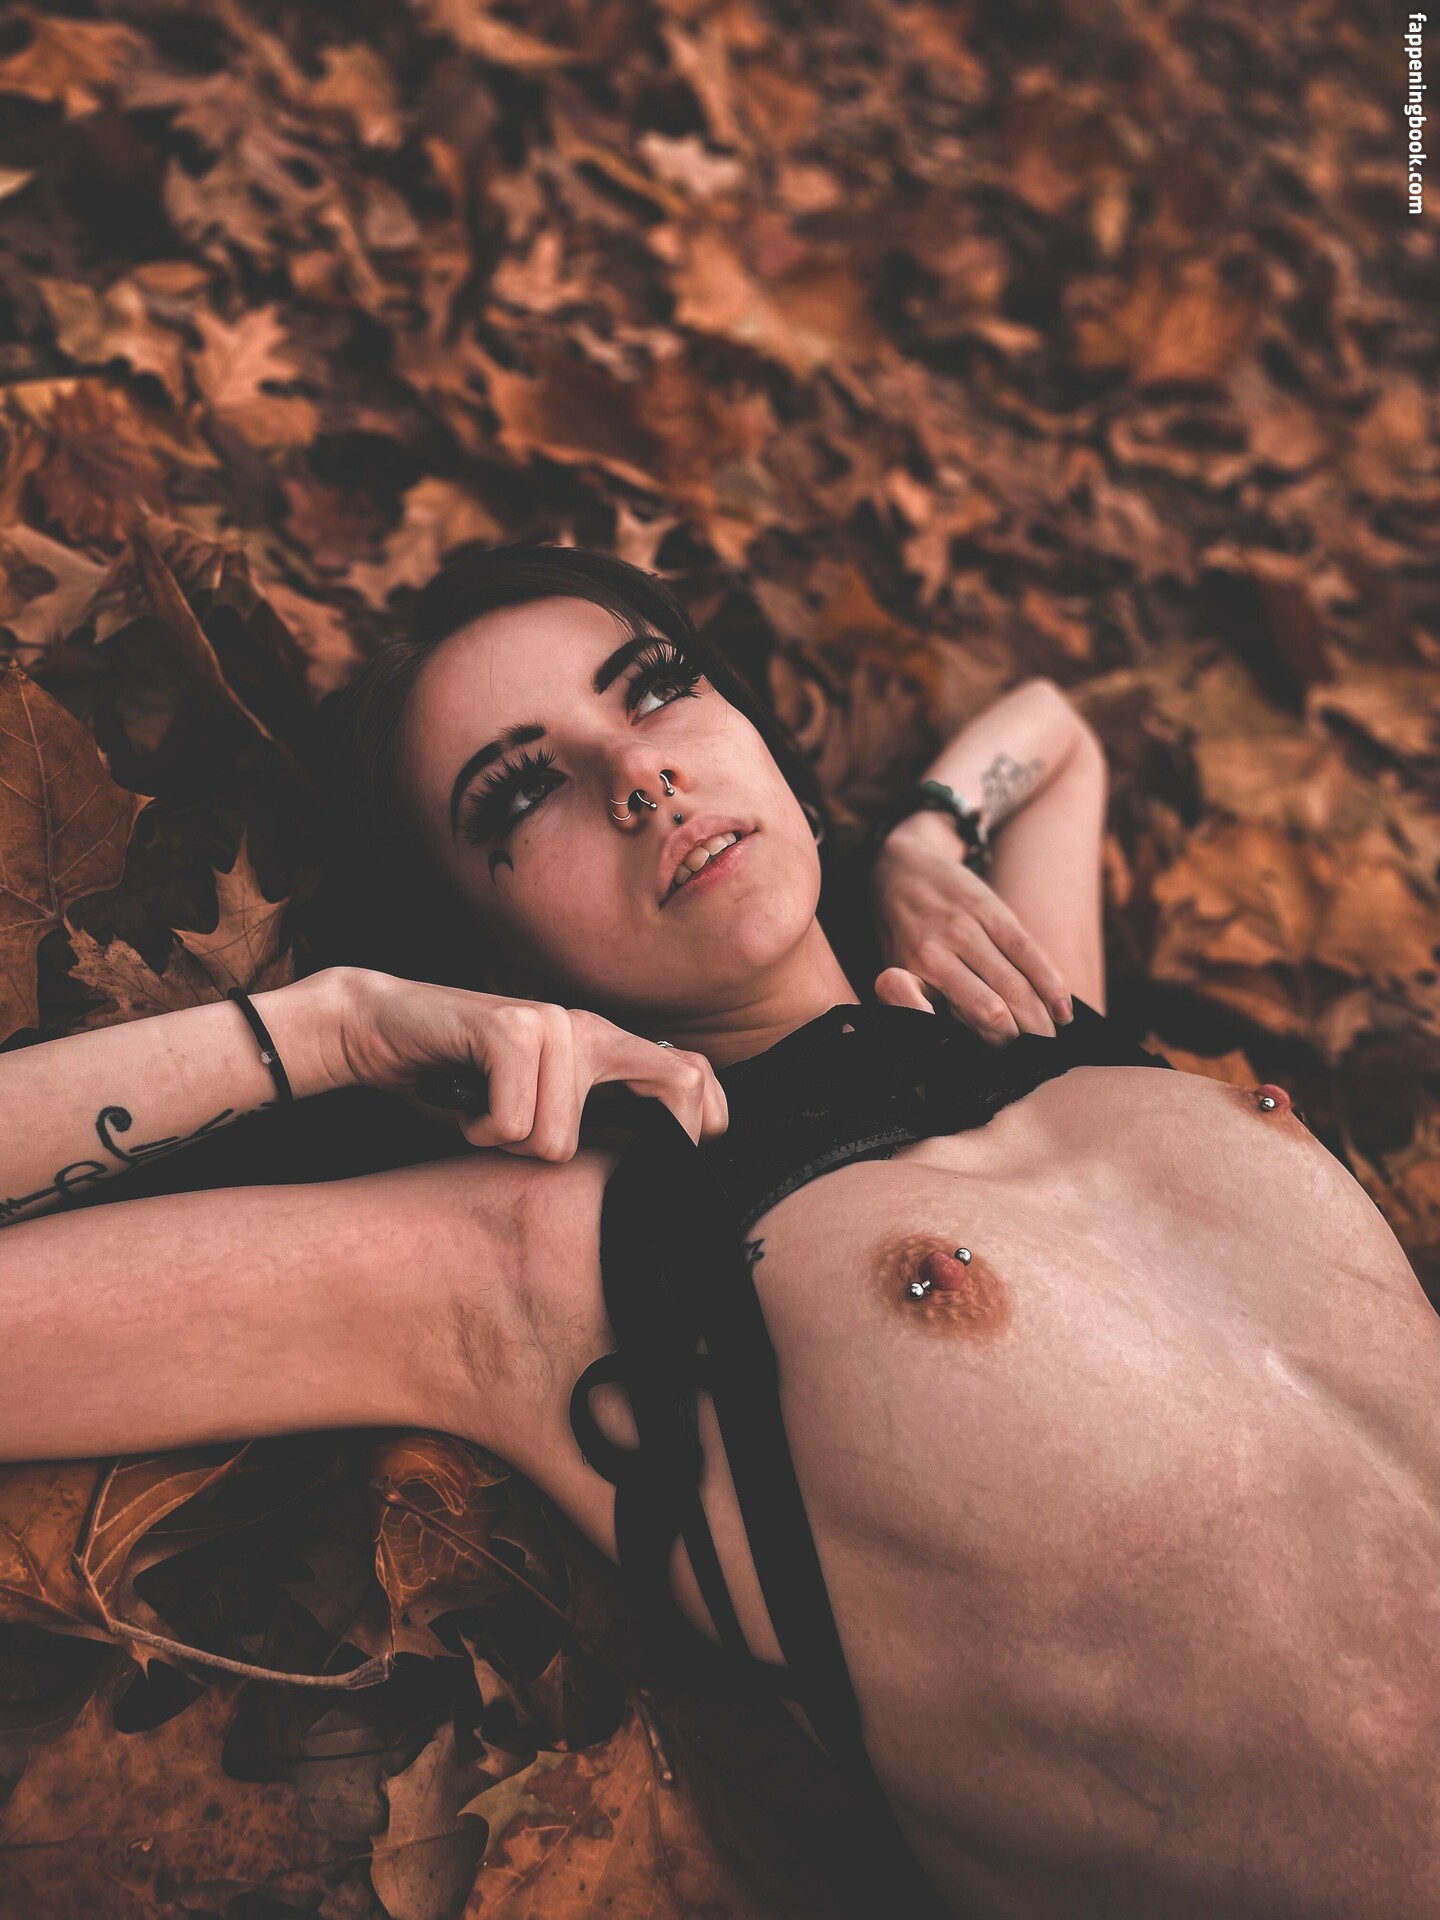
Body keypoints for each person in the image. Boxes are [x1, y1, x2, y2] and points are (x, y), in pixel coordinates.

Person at [2, 545, 1437, 1919]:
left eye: (656, 687)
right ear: (487, 957)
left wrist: (922, 844)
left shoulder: (1019, 1003)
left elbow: (1057, 736)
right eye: (520, 793)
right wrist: (334, 1029)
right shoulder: (557, 1254)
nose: (640, 775)